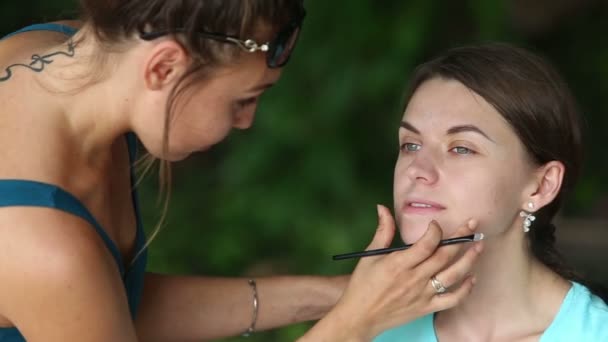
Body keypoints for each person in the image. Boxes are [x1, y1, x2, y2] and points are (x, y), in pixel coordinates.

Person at [0, 1, 485, 341]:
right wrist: (357, 322)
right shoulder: (39, 241)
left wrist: (340, 294)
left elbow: (101, 306)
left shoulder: (74, 59)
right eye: (244, 99)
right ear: (164, 68)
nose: (247, 122)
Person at [374, 43, 608, 341]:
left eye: (461, 148)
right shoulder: (373, 331)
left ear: (541, 185)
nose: (417, 169)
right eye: (410, 145)